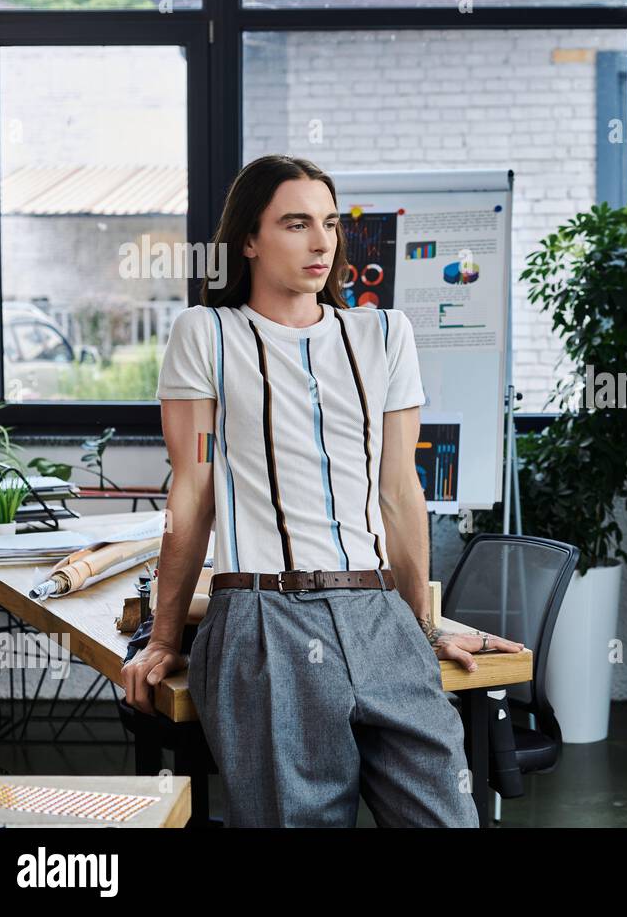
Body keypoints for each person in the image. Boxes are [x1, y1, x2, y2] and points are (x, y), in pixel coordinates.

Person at [120, 155, 522, 827]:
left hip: (377, 614)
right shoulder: (205, 337)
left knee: (448, 816)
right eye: (296, 223)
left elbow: (399, 491)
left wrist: (422, 627)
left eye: (330, 224)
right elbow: (190, 492)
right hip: (263, 619)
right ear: (248, 239)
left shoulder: (385, 335)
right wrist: (163, 637)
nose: (321, 242)